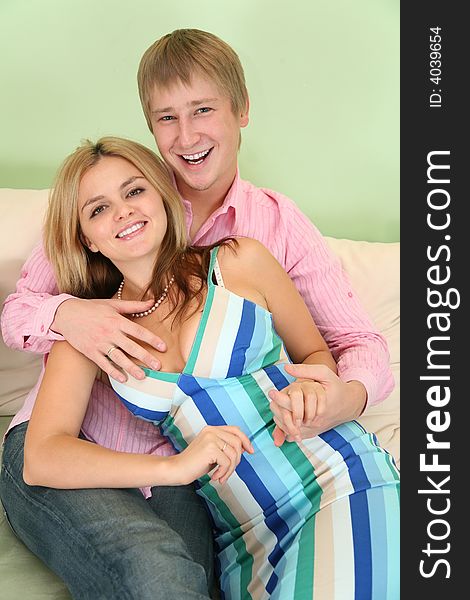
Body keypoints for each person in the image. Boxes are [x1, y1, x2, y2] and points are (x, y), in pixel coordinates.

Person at [21, 137, 399, 599]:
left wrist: (317, 393)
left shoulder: (239, 262)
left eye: (134, 191)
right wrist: (177, 468)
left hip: (334, 480)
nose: (122, 212)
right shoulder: (88, 331)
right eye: (98, 209)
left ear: (163, 196)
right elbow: (41, 459)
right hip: (241, 534)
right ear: (85, 238)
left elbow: (317, 356)